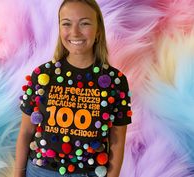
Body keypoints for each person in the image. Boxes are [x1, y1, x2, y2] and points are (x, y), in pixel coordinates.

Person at [14, 0, 132, 177]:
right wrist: (17, 174)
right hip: (41, 171)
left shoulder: (116, 81)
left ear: (98, 29)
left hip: (90, 172)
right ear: (60, 28)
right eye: (66, 24)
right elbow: (26, 132)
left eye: (84, 23)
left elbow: (117, 141)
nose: (75, 32)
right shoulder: (42, 75)